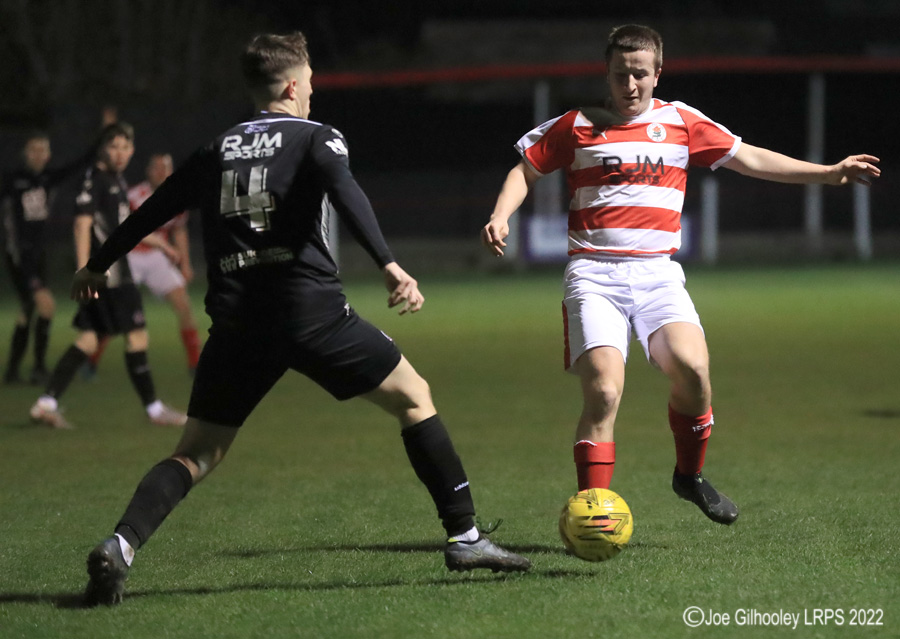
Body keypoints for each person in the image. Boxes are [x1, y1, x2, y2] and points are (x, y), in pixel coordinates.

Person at [75, 31, 530, 606]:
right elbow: (346, 192)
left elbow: (154, 209)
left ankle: (120, 545)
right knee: (414, 397)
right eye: (310, 82)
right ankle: (465, 536)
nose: (312, 91)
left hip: (238, 322)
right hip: (311, 313)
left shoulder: (215, 148)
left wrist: (97, 264)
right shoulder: (318, 137)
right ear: (293, 85)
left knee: (196, 452)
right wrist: (389, 265)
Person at [482, 24, 880, 526]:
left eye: (640, 74)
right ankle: (593, 512)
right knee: (604, 390)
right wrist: (501, 215)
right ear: (606, 73)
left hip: (657, 275)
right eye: (621, 74)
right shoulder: (578, 124)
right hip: (594, 275)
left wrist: (828, 172)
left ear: (658, 73)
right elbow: (525, 170)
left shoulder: (681, 122)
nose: (630, 85)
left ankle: (689, 476)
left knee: (693, 370)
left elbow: (750, 158)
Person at [29, 122, 188, 430]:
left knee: (89, 340)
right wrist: (85, 269)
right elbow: (82, 224)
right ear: (102, 147)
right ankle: (154, 410)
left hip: (107, 272)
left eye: (125, 147)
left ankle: (45, 404)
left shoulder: (114, 180)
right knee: (137, 335)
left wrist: (160, 244)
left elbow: (124, 225)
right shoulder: (96, 179)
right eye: (114, 146)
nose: (120, 153)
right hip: (111, 275)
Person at [86, 152, 201, 376]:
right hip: (130, 256)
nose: (161, 172)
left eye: (165, 167)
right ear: (148, 171)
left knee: (184, 306)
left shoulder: (179, 196)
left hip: (158, 258)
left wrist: (185, 264)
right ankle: (91, 361)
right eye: (156, 167)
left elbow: (179, 230)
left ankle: (195, 364)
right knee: (114, 311)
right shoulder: (133, 195)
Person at [1, 131, 95, 384]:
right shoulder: (12, 181)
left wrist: (103, 135)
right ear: (25, 153)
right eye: (34, 149)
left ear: (49, 154)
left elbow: (81, 162)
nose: (39, 154)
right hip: (20, 254)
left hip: (39, 254)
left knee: (27, 309)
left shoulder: (48, 179)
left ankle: (12, 372)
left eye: (43, 150)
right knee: (47, 306)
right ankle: (38, 368)